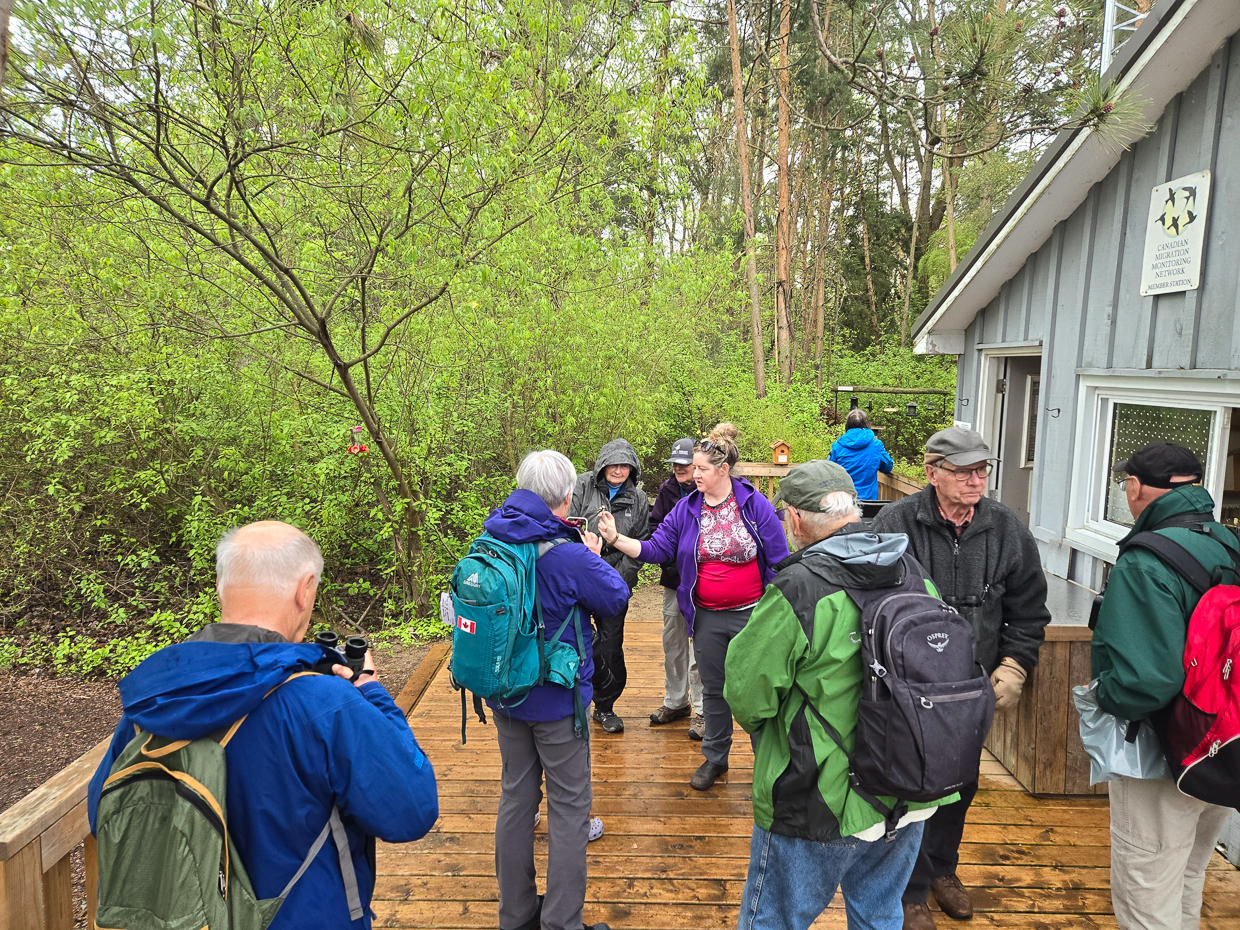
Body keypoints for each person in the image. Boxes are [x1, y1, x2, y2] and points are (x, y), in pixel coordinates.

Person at [87, 521, 439, 929]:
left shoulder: (159, 694)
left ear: (220, 585)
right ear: (304, 590)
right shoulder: (323, 703)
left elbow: (104, 815)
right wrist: (372, 693)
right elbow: (410, 811)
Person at [725, 461, 957, 930]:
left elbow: (747, 694)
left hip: (820, 798)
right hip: (908, 787)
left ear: (793, 519)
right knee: (878, 915)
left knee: (773, 919)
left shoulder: (799, 588)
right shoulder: (910, 570)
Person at [870, 427, 1050, 930]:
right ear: (932, 473)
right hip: (905, 690)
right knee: (908, 789)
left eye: (981, 470)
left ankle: (942, 871)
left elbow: (1029, 609)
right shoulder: (895, 523)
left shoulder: (1006, 529)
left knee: (960, 784)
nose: (976, 480)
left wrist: (1015, 664)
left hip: (972, 691)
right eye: (964, 471)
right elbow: (868, 605)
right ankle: (909, 890)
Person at [1091, 443, 1239, 930]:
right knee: (1190, 869)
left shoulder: (1146, 560)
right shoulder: (1229, 543)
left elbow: (1146, 682)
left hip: (1166, 746)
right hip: (1225, 738)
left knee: (1147, 881)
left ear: (1134, 487)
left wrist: (1100, 697)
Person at [597, 423, 790, 791]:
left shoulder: (754, 505)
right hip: (706, 617)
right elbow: (656, 549)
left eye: (701, 468)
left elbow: (779, 560)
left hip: (753, 615)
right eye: (694, 468)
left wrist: (780, 612)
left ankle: (770, 763)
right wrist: (617, 538)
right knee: (714, 691)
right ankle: (715, 758)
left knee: (759, 690)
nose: (693, 474)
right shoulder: (687, 509)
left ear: (723, 470)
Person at [487, 449, 630, 930]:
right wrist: (592, 556)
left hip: (506, 694)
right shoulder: (567, 553)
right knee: (570, 810)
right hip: (557, 699)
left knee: (516, 800)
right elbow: (615, 596)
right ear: (567, 497)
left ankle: (517, 917)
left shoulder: (492, 538)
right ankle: (562, 923)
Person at [569, 438, 650, 734]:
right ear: (602, 465)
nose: (618, 470)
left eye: (624, 465)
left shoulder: (638, 499)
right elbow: (568, 527)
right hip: (579, 573)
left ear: (632, 468)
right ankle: (572, 699)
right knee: (574, 637)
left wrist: (617, 581)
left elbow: (640, 544)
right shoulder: (583, 486)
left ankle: (605, 705)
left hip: (616, 580)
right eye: (613, 464)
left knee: (611, 644)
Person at [646, 437, 704, 739]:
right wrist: (669, 559)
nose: (679, 468)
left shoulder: (708, 490)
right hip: (673, 580)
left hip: (704, 582)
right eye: (675, 463)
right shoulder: (668, 490)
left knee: (702, 647)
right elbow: (655, 527)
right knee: (674, 642)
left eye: (685, 463)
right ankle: (677, 701)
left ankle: (704, 711)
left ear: (697, 464)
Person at [828, 408, 894, 500]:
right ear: (866, 424)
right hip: (869, 503)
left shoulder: (838, 446)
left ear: (847, 425)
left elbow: (828, 471)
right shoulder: (876, 445)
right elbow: (887, 466)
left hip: (844, 503)